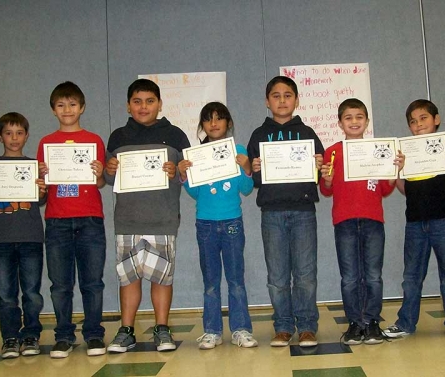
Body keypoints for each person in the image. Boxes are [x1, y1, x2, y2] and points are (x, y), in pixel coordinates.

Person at [104, 79, 190, 353]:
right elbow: (107, 178)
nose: (144, 107)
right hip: (127, 219)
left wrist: (175, 171)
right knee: (128, 277)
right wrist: (110, 168)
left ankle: (162, 329)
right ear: (128, 105)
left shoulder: (175, 135)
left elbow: (188, 175)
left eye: (150, 101)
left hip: (162, 218)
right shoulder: (118, 136)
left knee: (162, 277)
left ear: (160, 104)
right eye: (137, 101)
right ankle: (126, 330)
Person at [247, 76, 324, 348]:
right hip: (272, 213)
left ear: (296, 100)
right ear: (267, 102)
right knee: (277, 277)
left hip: (303, 211)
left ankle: (306, 326)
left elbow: (321, 173)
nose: (282, 100)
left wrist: (319, 164)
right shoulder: (258, 134)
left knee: (305, 274)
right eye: (276, 96)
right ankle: (282, 326)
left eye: (288, 95)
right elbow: (252, 179)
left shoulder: (308, 133)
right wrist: (254, 169)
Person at [382, 99, 445, 340]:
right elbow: (403, 189)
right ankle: (406, 323)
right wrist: (397, 170)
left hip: (444, 220)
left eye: (424, 119)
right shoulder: (406, 150)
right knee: (411, 276)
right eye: (413, 121)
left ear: (436, 120)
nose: (418, 125)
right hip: (415, 222)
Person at [178, 102, 257, 350]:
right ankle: (212, 331)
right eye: (208, 119)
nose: (214, 123)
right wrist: (183, 175)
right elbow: (194, 193)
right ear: (202, 125)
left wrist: (246, 168)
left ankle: (241, 329)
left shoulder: (239, 150)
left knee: (236, 279)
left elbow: (246, 189)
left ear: (228, 123)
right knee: (211, 281)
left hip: (232, 221)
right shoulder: (194, 155)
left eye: (219, 118)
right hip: (206, 224)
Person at [319, 98, 398, 346]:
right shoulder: (332, 152)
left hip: (373, 219)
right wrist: (327, 179)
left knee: (373, 275)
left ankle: (372, 322)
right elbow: (326, 190)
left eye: (359, 117)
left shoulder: (378, 149)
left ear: (367, 121)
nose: (354, 122)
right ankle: (354, 323)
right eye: (349, 117)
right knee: (350, 277)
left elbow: (385, 189)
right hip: (344, 221)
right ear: (340, 122)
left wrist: (394, 170)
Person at [37, 81, 107, 357]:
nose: (67, 110)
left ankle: (93, 334)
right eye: (61, 105)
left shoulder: (94, 140)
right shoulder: (46, 142)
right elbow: (41, 188)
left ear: (82, 107)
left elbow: (100, 182)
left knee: (92, 282)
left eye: (73, 104)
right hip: (57, 220)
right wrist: (41, 178)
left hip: (90, 218)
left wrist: (99, 172)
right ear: (53, 110)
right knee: (60, 284)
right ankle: (64, 335)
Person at [0, 112, 47, 358]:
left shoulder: (34, 166)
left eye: (19, 133)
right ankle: (9, 337)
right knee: (6, 294)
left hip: (31, 238)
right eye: (8, 133)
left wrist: (42, 187)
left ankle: (30, 335)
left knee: (31, 292)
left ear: (26, 136)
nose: (14, 138)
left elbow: (41, 200)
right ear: (0, 136)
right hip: (2, 240)